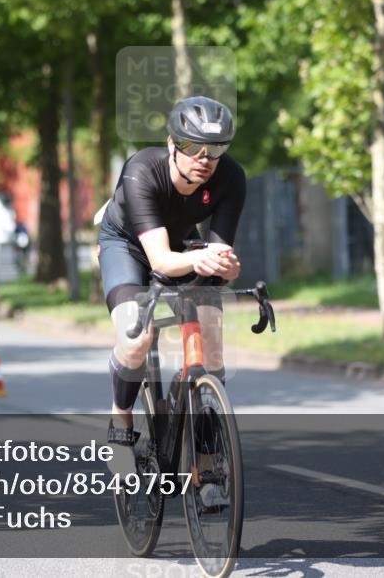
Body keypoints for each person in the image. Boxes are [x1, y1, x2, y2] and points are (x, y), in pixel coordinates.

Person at [97, 96, 245, 492]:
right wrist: (203, 260)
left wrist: (227, 267)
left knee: (211, 343)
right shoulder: (142, 171)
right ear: (171, 144)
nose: (205, 158)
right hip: (127, 245)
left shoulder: (231, 177)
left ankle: (207, 464)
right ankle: (120, 420)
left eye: (216, 149)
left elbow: (218, 252)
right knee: (136, 335)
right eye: (193, 146)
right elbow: (160, 260)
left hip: (181, 244)